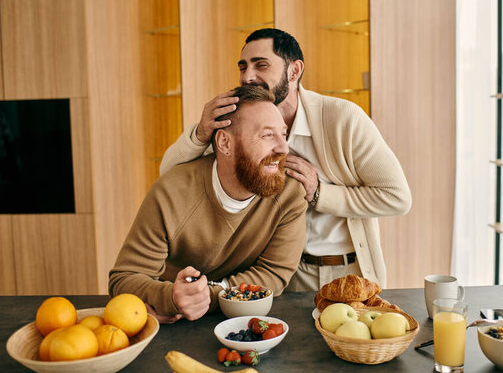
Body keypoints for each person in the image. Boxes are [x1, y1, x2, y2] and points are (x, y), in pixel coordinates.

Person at [160, 28, 411, 291]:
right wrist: (200, 134)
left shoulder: (343, 119)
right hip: (280, 276)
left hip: (350, 273)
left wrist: (319, 194)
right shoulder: (236, 120)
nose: (248, 77)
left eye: (261, 65)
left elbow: (397, 197)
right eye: (243, 67)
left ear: (294, 70)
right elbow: (170, 174)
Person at [109, 85, 307, 322]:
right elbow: (124, 278)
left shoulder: (290, 194)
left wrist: (210, 296)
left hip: (243, 320)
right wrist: (171, 296)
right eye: (267, 135)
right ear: (225, 143)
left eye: (283, 135)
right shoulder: (172, 191)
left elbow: (273, 273)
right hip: (173, 321)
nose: (283, 148)